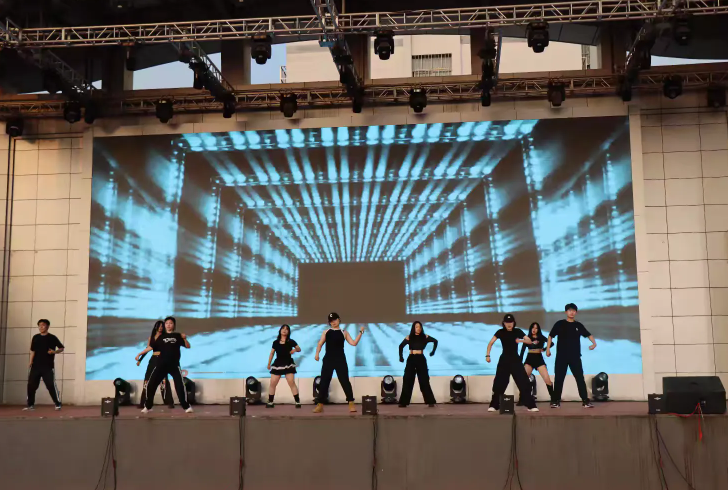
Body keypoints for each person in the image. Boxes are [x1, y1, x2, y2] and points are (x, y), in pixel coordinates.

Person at [546, 303, 597, 409]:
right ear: (566, 312)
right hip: (561, 356)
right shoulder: (560, 324)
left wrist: (594, 343)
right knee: (559, 379)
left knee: (580, 378)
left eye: (573, 310)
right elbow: (550, 336)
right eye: (569, 310)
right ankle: (555, 401)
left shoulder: (578, 325)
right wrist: (548, 349)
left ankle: (585, 401)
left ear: (576, 312)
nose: (572, 312)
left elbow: (588, 334)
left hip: (575, 357)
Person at [312, 312, 364, 413]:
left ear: (339, 319)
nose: (333, 322)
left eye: (335, 320)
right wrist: (317, 354)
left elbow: (353, 343)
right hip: (328, 359)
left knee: (344, 381)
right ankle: (320, 405)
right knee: (324, 381)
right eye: (331, 321)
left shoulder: (344, 332)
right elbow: (320, 343)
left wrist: (361, 333)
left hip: (340, 359)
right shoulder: (326, 332)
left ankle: (351, 403)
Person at [485, 314, 538, 412]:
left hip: (515, 360)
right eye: (507, 322)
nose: (509, 324)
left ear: (514, 323)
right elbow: (490, 343)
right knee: (499, 382)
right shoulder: (500, 332)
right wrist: (487, 355)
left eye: (511, 322)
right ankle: (494, 405)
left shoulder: (517, 331)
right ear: (504, 323)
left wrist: (520, 340)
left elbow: (529, 341)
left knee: (523, 381)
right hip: (504, 360)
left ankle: (531, 405)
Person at [141, 316, 194, 413]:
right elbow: (151, 347)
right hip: (161, 365)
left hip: (174, 365)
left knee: (180, 386)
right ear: (165, 325)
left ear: (174, 325)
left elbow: (188, 346)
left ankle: (186, 406)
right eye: (167, 323)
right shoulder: (161, 337)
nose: (168, 325)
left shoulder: (177, 336)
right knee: (151, 384)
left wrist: (185, 339)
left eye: (171, 323)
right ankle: (148, 406)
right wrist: (139, 354)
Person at [24, 319, 63, 411]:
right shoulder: (35, 337)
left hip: (47, 366)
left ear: (47, 326)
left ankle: (57, 403)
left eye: (43, 325)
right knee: (31, 385)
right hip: (35, 366)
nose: (41, 327)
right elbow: (33, 351)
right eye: (39, 325)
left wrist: (54, 352)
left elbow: (61, 348)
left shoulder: (52, 337)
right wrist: (30, 362)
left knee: (50, 385)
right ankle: (30, 404)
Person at [397, 321, 437, 407]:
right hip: (411, 359)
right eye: (416, 327)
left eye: (419, 327)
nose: (418, 328)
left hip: (421, 359)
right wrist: (401, 357)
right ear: (413, 328)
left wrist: (433, 352)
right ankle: (403, 402)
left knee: (424, 380)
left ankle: (430, 401)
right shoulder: (409, 337)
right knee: (407, 379)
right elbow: (401, 346)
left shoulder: (425, 337)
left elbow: (435, 341)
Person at [135, 320, 174, 409]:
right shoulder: (151, 338)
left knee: (164, 381)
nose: (160, 328)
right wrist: (140, 360)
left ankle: (169, 402)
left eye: (162, 326)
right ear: (156, 327)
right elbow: (148, 349)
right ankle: (143, 402)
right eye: (159, 326)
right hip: (153, 360)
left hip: (162, 359)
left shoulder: (165, 337)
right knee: (147, 381)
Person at [517, 322, 554, 405]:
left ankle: (553, 399)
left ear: (538, 329)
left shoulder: (541, 337)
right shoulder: (527, 338)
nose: (534, 330)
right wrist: (519, 362)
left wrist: (544, 349)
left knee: (547, 379)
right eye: (533, 328)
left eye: (536, 328)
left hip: (539, 359)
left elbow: (551, 343)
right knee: (523, 380)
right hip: (529, 359)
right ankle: (522, 399)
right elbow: (522, 351)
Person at [266, 324, 302, 408]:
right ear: (280, 330)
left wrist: (294, 350)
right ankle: (270, 402)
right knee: (273, 383)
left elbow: (299, 349)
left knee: (291, 382)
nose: (284, 330)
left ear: (288, 332)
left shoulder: (291, 341)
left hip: (288, 363)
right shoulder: (275, 342)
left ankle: (297, 402)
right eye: (283, 328)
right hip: (278, 364)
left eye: (286, 329)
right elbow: (272, 353)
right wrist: (269, 363)